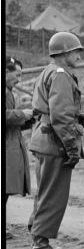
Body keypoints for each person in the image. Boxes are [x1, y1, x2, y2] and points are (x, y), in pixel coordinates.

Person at [27, 32, 84, 249]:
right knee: (54, 195)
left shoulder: (49, 71)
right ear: (63, 52)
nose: (79, 56)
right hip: (54, 141)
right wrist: (72, 148)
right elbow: (61, 116)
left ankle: (39, 238)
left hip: (44, 137)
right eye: (75, 51)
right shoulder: (61, 75)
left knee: (45, 192)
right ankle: (41, 245)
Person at [5, 58, 33, 239]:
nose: (19, 79)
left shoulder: (9, 93)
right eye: (17, 74)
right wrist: (22, 114)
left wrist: (29, 120)